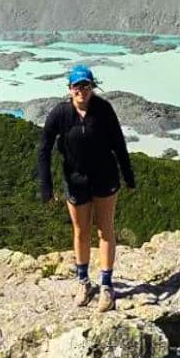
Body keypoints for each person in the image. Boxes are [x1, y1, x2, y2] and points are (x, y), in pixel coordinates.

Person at [38, 64, 135, 312]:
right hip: (76, 181)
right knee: (81, 232)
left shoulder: (104, 110)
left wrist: (128, 175)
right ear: (69, 89)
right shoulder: (60, 114)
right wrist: (46, 187)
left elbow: (118, 144)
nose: (81, 90)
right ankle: (83, 282)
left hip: (105, 178)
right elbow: (44, 149)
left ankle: (106, 285)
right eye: (77, 86)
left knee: (105, 230)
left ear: (92, 87)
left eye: (86, 85)